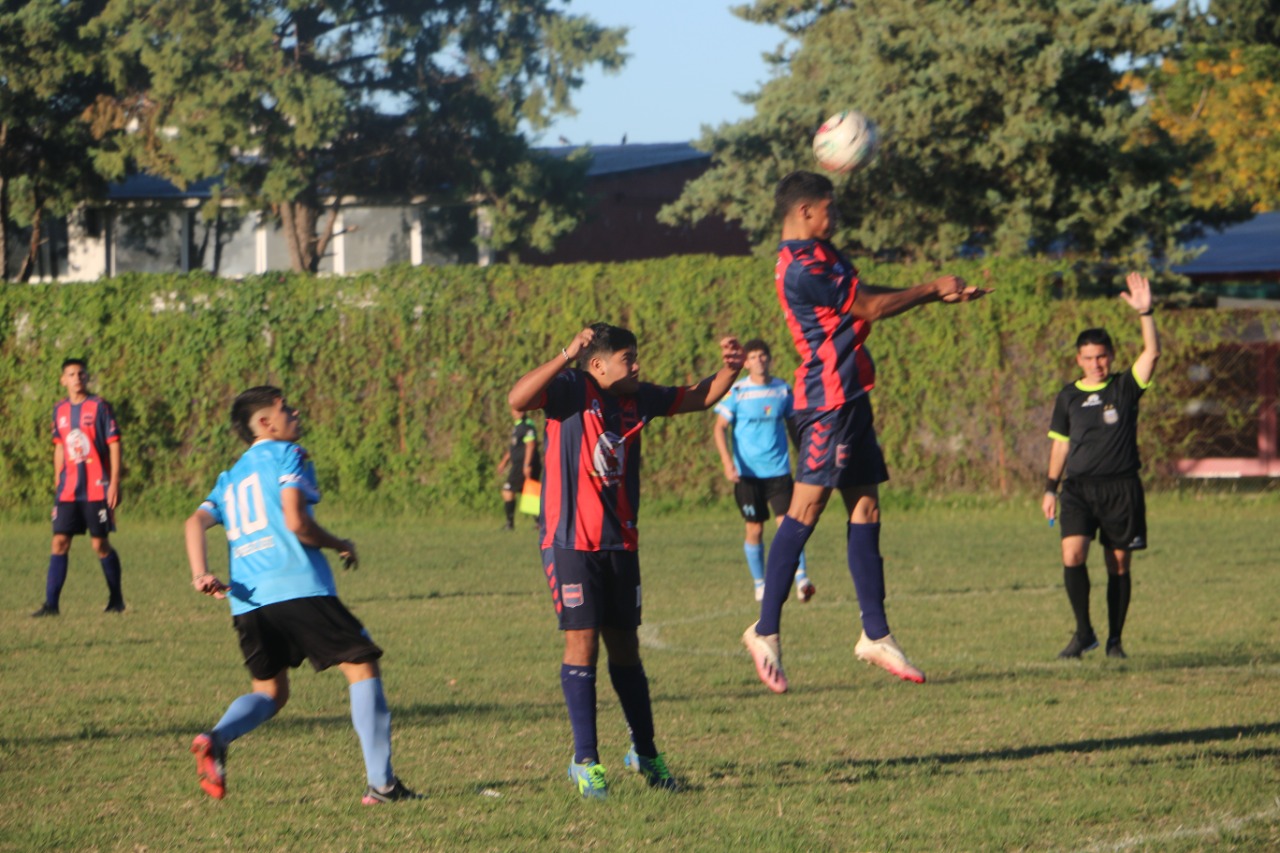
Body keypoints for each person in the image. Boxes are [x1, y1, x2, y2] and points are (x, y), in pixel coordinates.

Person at [741, 170, 991, 694]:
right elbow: (871, 307)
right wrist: (929, 288)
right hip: (827, 401)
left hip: (851, 398)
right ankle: (765, 631)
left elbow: (865, 293)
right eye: (827, 208)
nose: (835, 216)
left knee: (866, 507)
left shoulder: (825, 252)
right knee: (805, 509)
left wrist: (935, 296)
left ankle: (875, 635)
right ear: (805, 210)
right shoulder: (799, 266)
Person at [509, 323, 744, 799]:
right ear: (597, 365)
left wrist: (730, 371)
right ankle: (586, 761)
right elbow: (518, 399)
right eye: (628, 358)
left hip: (621, 544)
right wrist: (565, 351)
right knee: (583, 647)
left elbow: (700, 396)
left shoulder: (640, 399)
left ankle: (646, 752)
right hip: (570, 542)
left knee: (627, 651)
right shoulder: (573, 387)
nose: (637, 365)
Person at [183, 386, 417, 804]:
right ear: (266, 423)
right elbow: (296, 521)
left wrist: (201, 573)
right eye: (285, 408)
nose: (295, 411)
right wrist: (338, 542)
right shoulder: (289, 455)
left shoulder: (230, 476)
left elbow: (193, 523)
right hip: (297, 587)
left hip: (248, 601)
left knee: (270, 692)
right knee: (361, 665)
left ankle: (216, 738)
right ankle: (382, 786)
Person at [1041, 272, 1160, 660]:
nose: (1096, 363)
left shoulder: (1125, 387)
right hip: (1077, 490)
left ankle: (1115, 642)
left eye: (1102, 356)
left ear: (1111, 355)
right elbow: (1059, 447)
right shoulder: (1068, 397)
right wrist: (1049, 488)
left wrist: (1146, 313)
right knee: (1072, 555)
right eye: (1089, 358)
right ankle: (1083, 633)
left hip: (1121, 488)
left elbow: (1152, 354)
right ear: (1079, 359)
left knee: (1118, 564)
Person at [713, 338, 815, 603]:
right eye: (753, 357)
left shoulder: (782, 390)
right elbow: (719, 428)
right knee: (754, 529)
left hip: (778, 472)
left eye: (762, 356)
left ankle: (802, 579)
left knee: (789, 526)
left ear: (769, 359)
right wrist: (727, 462)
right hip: (748, 476)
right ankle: (760, 584)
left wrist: (805, 456)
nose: (758, 361)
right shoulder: (737, 391)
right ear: (745, 363)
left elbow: (793, 426)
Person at [32, 358, 125, 617]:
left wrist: (114, 482)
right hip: (68, 490)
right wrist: (57, 480)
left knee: (100, 545)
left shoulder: (99, 407)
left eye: (81, 374)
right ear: (63, 379)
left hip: (96, 488)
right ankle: (51, 605)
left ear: (87, 377)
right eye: (71, 374)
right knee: (59, 541)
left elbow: (114, 443)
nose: (77, 378)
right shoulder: (59, 410)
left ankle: (116, 599)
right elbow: (60, 446)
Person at [499, 407, 541, 530]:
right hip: (519, 465)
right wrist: (504, 462)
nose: (519, 412)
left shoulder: (527, 425)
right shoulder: (517, 426)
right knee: (529, 492)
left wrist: (526, 465)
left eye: (521, 409)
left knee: (508, 490)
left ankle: (510, 523)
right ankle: (540, 521)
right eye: (516, 410)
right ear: (512, 411)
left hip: (523, 465)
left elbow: (531, 445)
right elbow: (514, 447)